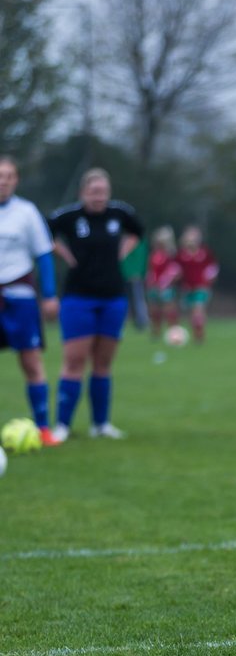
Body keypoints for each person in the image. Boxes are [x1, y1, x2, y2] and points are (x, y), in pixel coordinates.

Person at [46, 168, 143, 442]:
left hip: (113, 297)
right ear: (83, 192)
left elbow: (138, 231)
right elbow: (43, 233)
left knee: (103, 362)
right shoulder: (69, 216)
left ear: (109, 193)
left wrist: (123, 251)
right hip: (79, 297)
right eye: (93, 191)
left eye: (102, 192)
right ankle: (62, 425)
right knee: (75, 361)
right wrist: (63, 252)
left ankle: (101, 424)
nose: (98, 197)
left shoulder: (120, 213)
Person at [0, 156, 61, 446]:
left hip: (20, 297)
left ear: (16, 180)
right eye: (0, 175)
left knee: (31, 361)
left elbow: (44, 255)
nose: (3, 180)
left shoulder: (27, 212)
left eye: (9, 175)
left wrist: (49, 295)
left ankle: (43, 428)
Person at [175, 224, 219, 343]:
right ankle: (197, 334)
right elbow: (176, 269)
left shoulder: (204, 252)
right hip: (187, 288)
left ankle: (200, 334)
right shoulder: (181, 255)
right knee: (192, 312)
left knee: (198, 309)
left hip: (201, 287)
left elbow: (213, 267)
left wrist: (209, 278)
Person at [145, 225, 180, 339]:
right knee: (154, 310)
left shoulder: (171, 254)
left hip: (166, 287)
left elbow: (175, 270)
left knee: (169, 309)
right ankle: (156, 332)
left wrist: (165, 283)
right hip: (153, 286)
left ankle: (173, 332)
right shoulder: (154, 253)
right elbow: (151, 269)